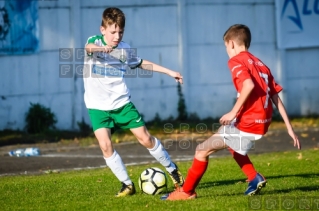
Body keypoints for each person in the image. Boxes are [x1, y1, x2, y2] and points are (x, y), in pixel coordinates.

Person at [161, 24, 301, 200]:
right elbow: (275, 96)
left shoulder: (236, 60)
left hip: (248, 122)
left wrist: (233, 112)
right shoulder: (261, 64)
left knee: (200, 150)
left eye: (226, 46)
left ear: (231, 43)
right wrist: (289, 128)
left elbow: (248, 85)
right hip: (261, 123)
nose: (226, 50)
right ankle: (254, 177)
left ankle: (187, 192)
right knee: (231, 144)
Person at [83, 7, 184, 197]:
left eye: (120, 31)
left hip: (121, 104)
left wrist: (170, 72)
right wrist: (100, 49)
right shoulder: (93, 42)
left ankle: (172, 170)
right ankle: (127, 184)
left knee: (145, 139)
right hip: (97, 107)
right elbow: (88, 48)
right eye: (113, 32)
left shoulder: (125, 49)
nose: (117, 36)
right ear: (103, 29)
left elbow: (142, 63)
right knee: (105, 145)